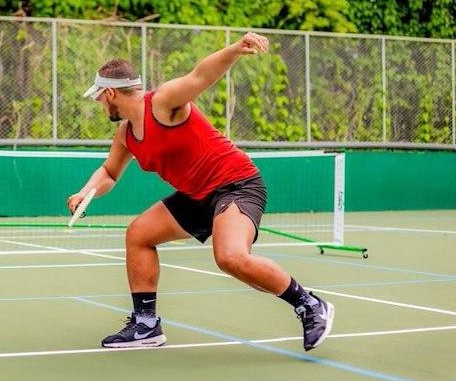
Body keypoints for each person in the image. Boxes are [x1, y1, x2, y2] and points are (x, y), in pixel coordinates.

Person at [68, 33, 334, 351]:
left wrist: (236, 49)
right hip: (196, 196)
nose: (99, 105)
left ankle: (310, 305)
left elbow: (200, 75)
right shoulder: (126, 134)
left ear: (111, 92)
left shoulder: (163, 103)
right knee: (139, 233)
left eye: (99, 98)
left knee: (230, 257)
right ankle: (146, 325)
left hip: (235, 184)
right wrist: (87, 192)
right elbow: (109, 173)